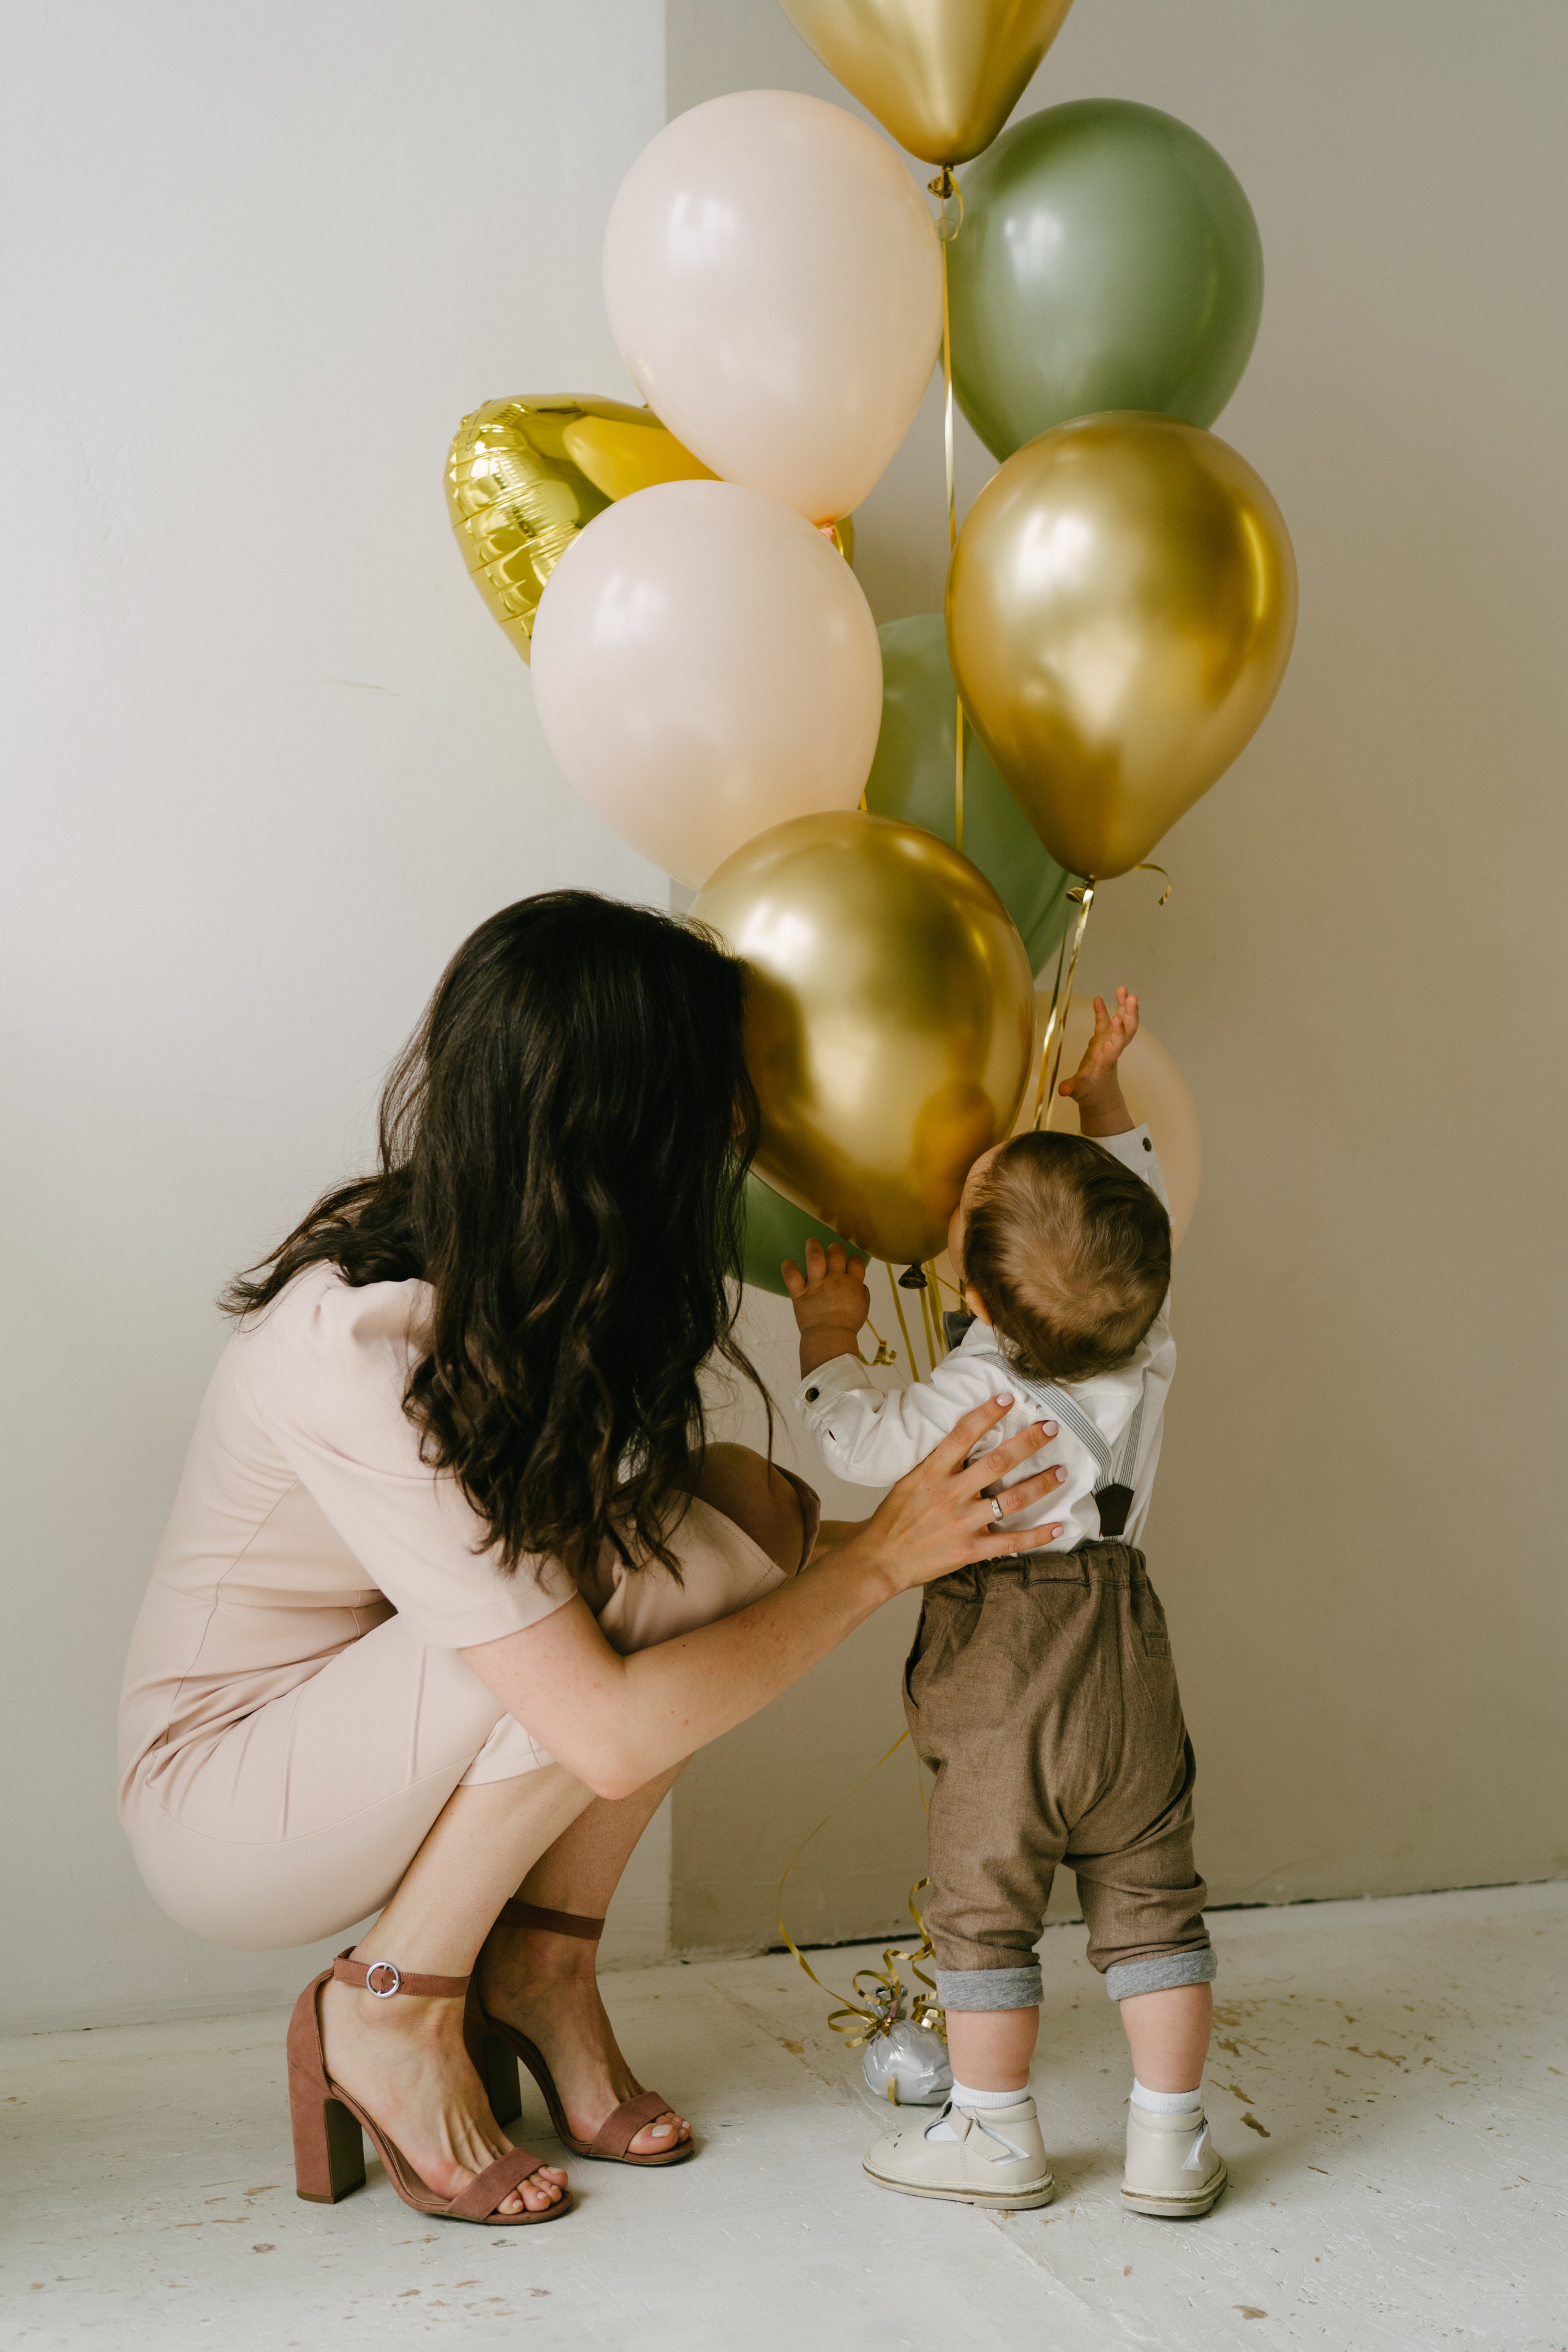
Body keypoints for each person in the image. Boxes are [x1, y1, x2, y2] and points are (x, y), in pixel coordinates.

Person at [118, 892, 1066, 2230]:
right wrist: (877, 1570)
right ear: (635, 1127)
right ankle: (388, 2006)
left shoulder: (511, 1282)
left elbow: (679, 1571)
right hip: (227, 1800)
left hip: (364, 1720)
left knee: (743, 1518)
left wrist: (934, 1532)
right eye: (722, 1095)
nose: (746, 1128)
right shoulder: (357, 1354)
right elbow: (606, 1735)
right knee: (684, 1572)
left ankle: (540, 1970)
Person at [784, 989, 1226, 2220]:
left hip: (1003, 1666)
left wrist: (828, 1336)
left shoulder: (961, 1400)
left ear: (971, 1298)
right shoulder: (1143, 1346)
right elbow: (1139, 1203)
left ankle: (991, 2134)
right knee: (1149, 1904)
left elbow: (857, 1447)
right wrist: (1099, 1093)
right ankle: (1167, 2143)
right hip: (1127, 1650)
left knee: (983, 1913)